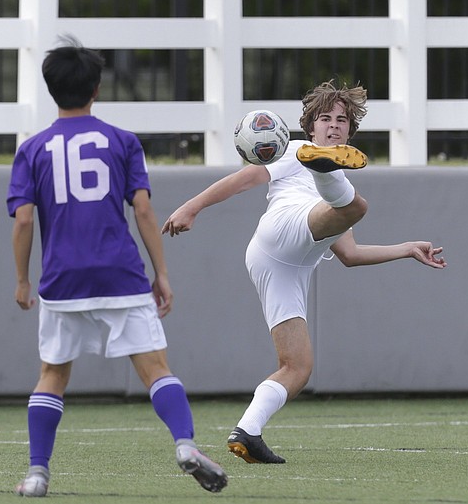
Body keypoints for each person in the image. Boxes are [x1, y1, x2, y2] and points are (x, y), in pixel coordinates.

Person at [162, 80, 447, 464]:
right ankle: (324, 171)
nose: (333, 125)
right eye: (325, 118)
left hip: (286, 265)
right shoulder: (293, 150)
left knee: (298, 367)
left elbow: (349, 253)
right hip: (281, 230)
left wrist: (408, 249)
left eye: (342, 120)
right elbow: (242, 180)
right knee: (355, 207)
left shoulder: (339, 192)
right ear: (310, 127)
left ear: (349, 130)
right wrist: (191, 207)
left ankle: (247, 431)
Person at [7, 36, 227, 496]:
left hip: (62, 279)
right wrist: (161, 273)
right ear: (97, 88)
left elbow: (24, 218)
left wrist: (24, 279)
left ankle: (36, 473)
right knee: (154, 368)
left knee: (52, 373)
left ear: (51, 89)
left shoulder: (32, 150)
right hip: (120, 273)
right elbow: (144, 212)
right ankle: (185, 444)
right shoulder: (122, 142)